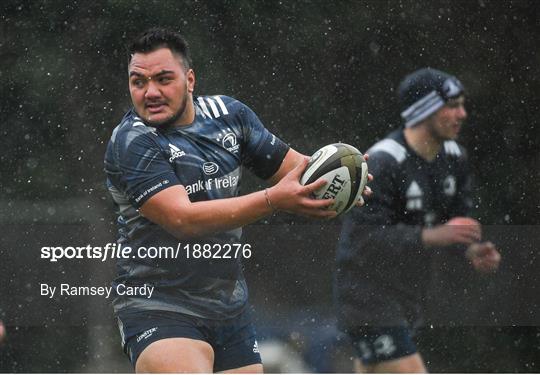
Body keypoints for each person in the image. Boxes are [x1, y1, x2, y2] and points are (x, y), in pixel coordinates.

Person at [104, 28, 370, 373]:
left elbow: (300, 173)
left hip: (228, 308)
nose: (150, 92)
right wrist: (273, 199)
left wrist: (346, 177)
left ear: (190, 80)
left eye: (163, 79)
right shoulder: (133, 140)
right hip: (158, 305)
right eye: (138, 82)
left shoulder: (228, 116)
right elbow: (182, 219)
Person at [334, 68, 501, 373]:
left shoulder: (455, 158)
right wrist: (431, 236)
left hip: (409, 296)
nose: (462, 114)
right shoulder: (382, 163)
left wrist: (469, 249)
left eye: (462, 105)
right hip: (367, 298)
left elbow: (451, 225)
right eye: (451, 105)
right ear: (423, 110)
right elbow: (362, 240)